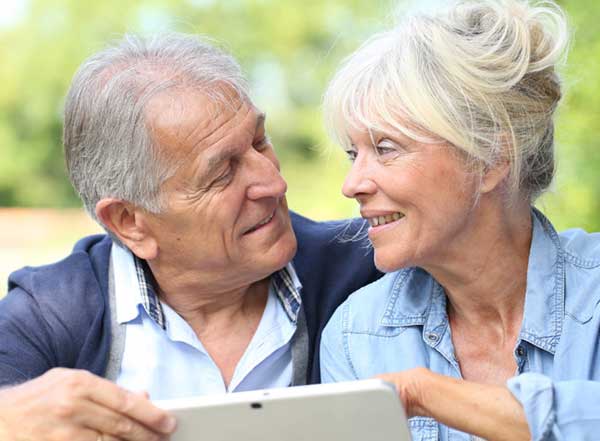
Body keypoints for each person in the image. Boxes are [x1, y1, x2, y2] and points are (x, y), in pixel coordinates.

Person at [0, 33, 381, 441]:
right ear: (129, 222)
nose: (272, 182)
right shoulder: (49, 314)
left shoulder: (367, 265)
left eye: (259, 142)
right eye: (221, 174)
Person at [320, 0, 600, 440]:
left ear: (491, 158)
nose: (352, 184)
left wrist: (424, 393)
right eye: (354, 155)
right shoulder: (358, 336)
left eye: (387, 148)